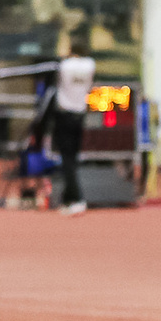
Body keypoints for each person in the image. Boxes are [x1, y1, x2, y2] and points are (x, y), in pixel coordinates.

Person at [48, 38, 97, 215]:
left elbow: (58, 71)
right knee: (73, 158)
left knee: (67, 159)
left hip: (64, 114)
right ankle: (68, 198)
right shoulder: (90, 65)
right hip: (80, 114)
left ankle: (77, 198)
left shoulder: (66, 66)